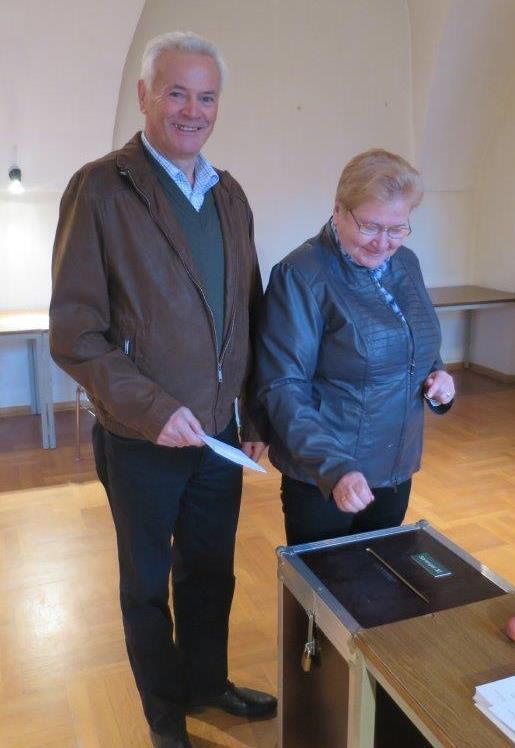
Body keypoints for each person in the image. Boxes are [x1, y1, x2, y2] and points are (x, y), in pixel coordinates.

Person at [50, 31, 275, 748]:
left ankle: (207, 683)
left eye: (205, 97)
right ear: (145, 95)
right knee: (147, 584)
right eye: (176, 93)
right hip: (139, 440)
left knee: (209, 572)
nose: (191, 111)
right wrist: (152, 409)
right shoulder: (100, 189)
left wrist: (253, 415)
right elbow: (74, 333)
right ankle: (163, 710)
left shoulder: (229, 194)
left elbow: (248, 315)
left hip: (218, 439)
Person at [256, 149, 455, 547]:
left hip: (395, 465)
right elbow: (282, 386)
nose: (383, 243)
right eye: (370, 226)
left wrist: (439, 377)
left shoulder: (406, 263)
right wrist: (335, 468)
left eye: (397, 228)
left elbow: (418, 344)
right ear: (338, 210)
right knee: (321, 583)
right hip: (326, 475)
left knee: (379, 576)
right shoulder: (301, 275)